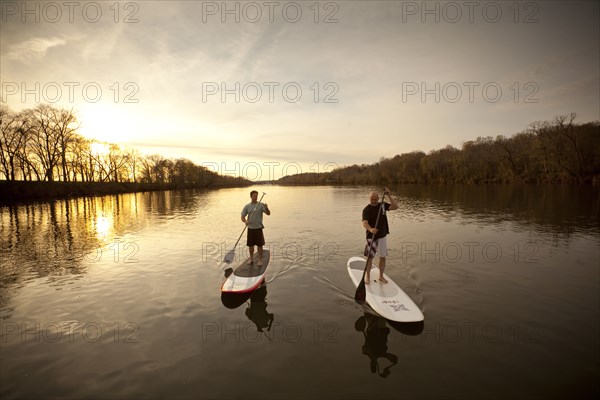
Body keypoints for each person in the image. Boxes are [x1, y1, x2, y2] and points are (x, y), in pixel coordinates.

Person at [362, 188, 398, 284]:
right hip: (371, 236)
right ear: (369, 199)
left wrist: (389, 195)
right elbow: (364, 223)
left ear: (378, 198)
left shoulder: (382, 205)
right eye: (371, 199)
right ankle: (367, 276)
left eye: (375, 199)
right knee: (370, 257)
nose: (373, 201)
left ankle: (381, 276)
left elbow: (395, 207)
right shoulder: (366, 209)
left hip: (382, 235)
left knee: (382, 257)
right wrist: (371, 229)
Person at [241, 190, 270, 266]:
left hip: (258, 228)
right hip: (250, 229)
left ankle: (260, 260)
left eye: (256, 196)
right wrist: (245, 221)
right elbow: (242, 216)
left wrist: (266, 208)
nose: (255, 197)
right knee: (250, 245)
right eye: (254, 196)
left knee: (260, 245)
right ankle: (251, 258)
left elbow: (268, 214)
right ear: (251, 196)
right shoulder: (247, 206)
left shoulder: (261, 205)